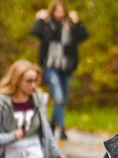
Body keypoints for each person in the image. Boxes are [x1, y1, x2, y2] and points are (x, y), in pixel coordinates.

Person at [30, 1, 88, 141]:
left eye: (62, 9)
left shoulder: (70, 25)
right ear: (52, 11)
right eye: (57, 9)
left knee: (61, 100)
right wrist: (39, 18)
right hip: (50, 67)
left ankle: (51, 125)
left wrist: (77, 21)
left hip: (66, 68)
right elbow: (35, 32)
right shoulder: (47, 24)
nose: (59, 12)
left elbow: (84, 35)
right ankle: (61, 130)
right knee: (58, 97)